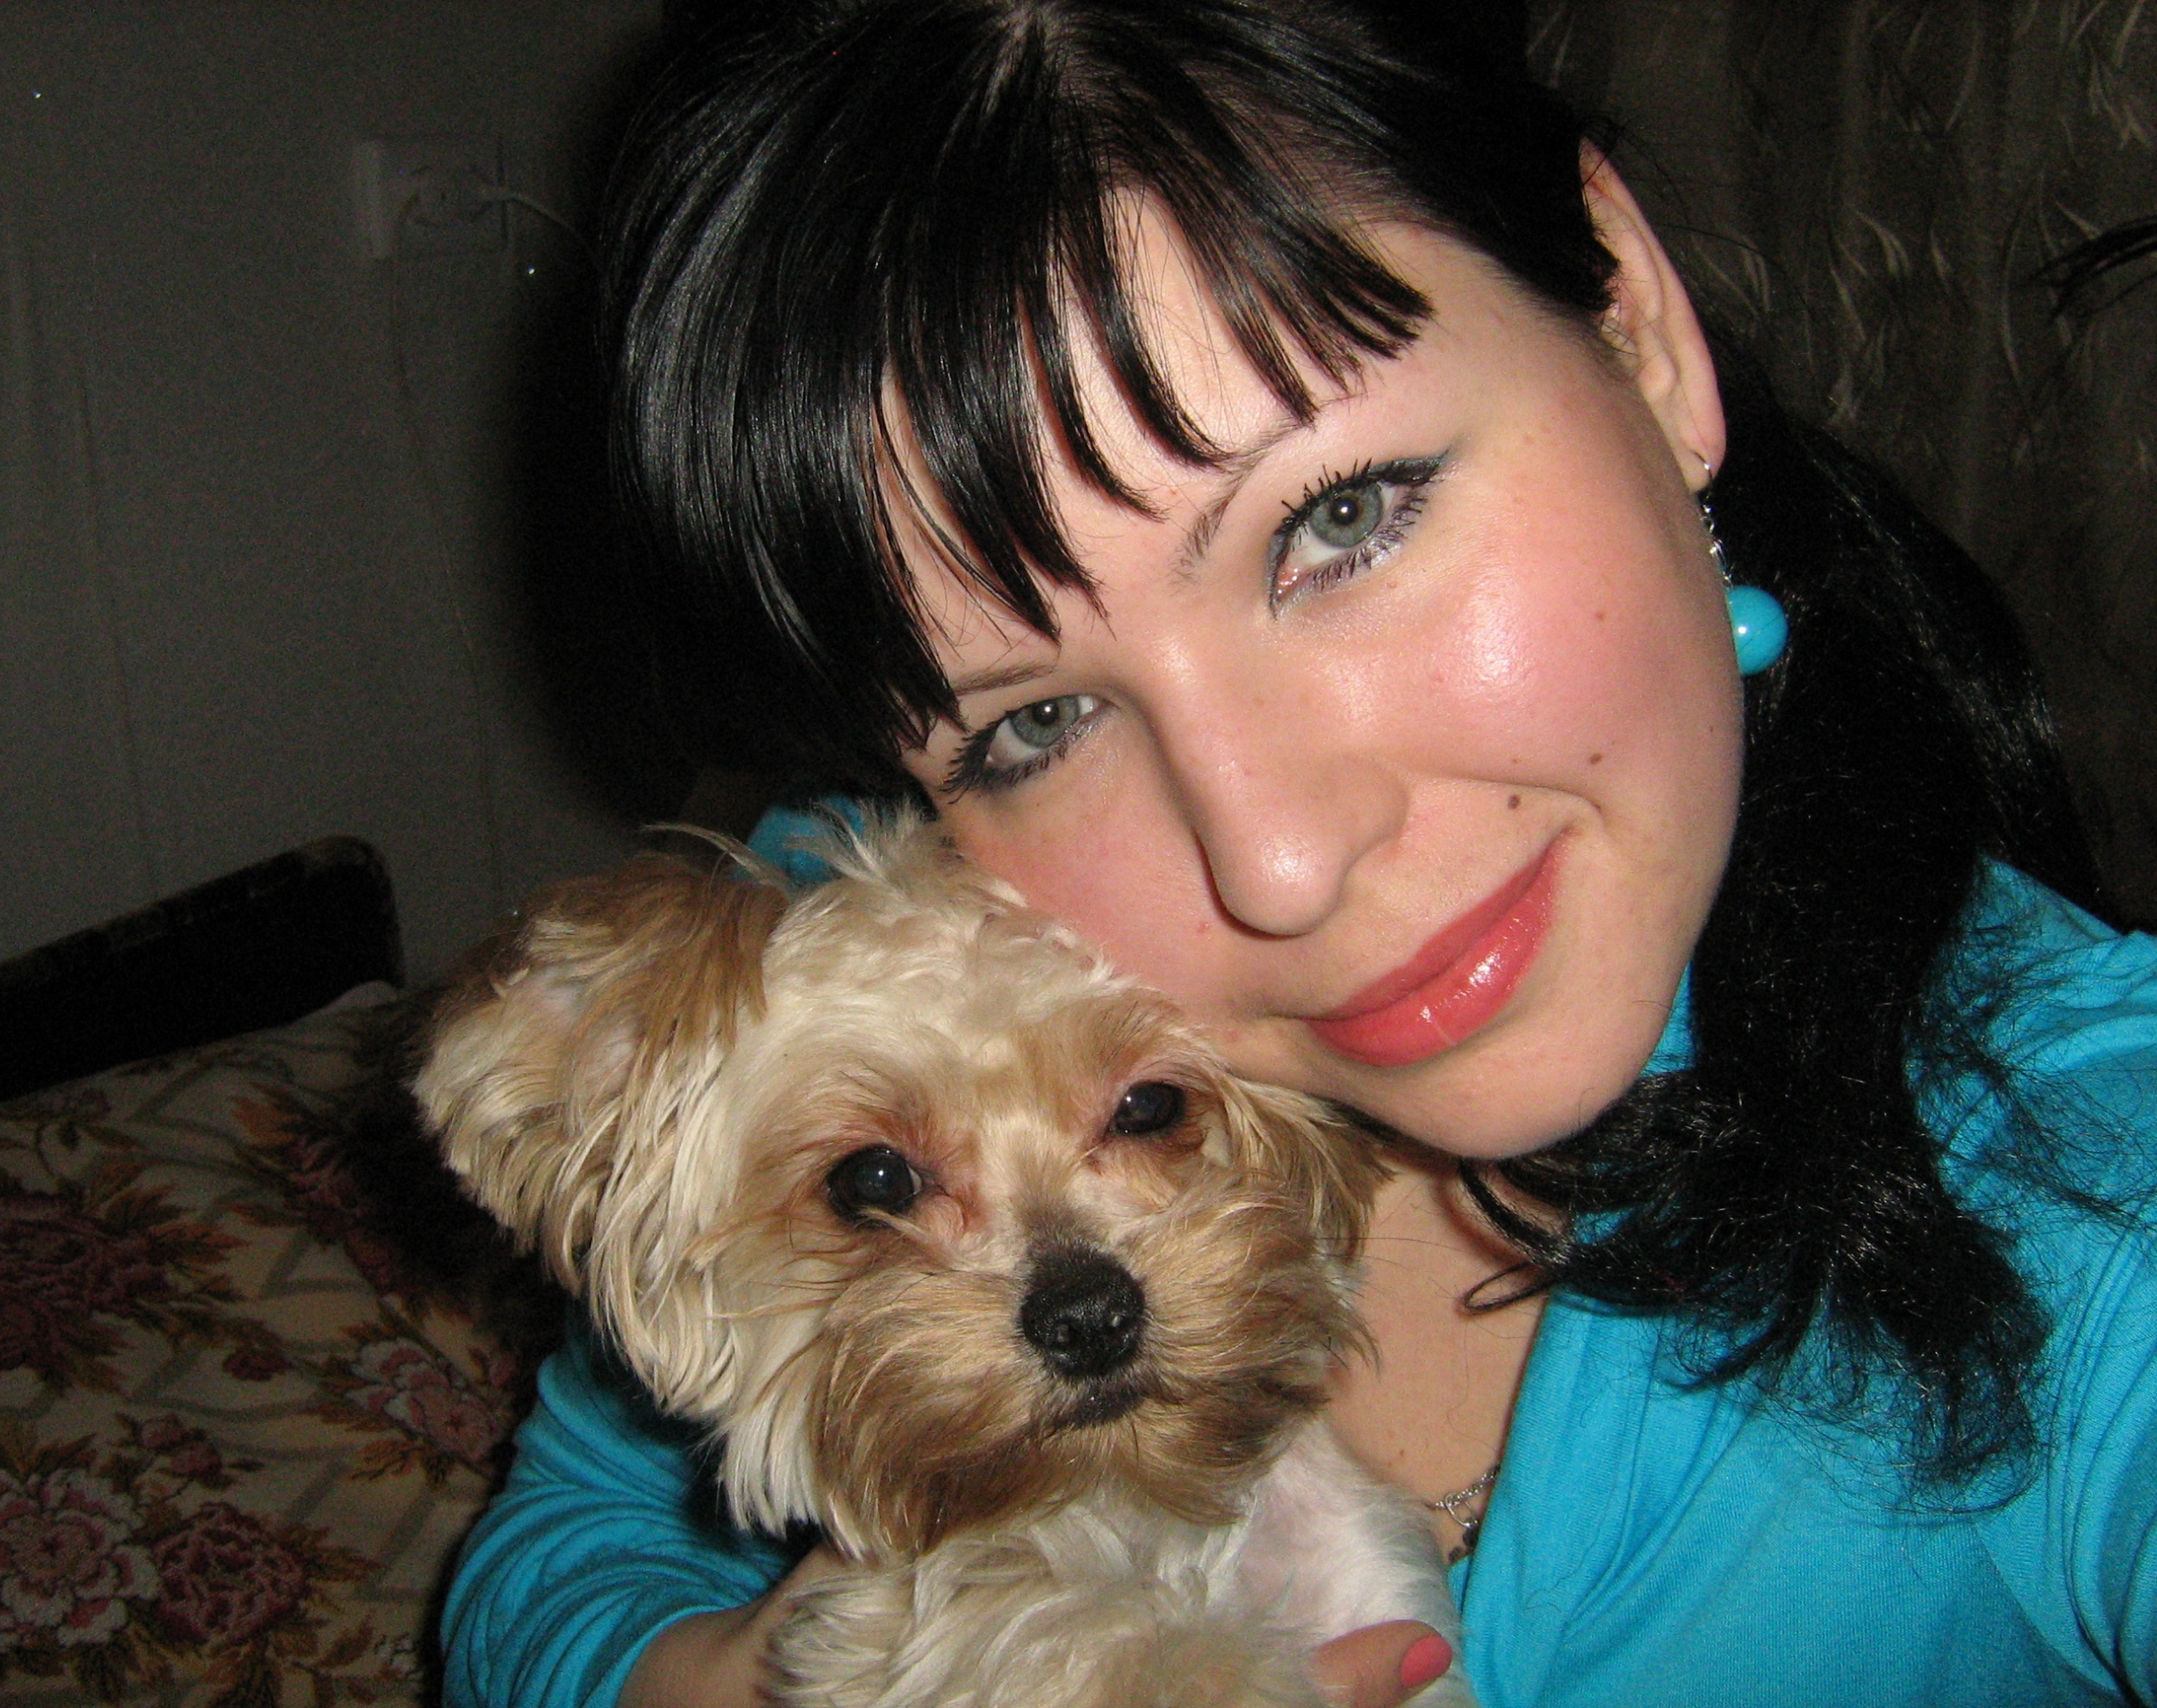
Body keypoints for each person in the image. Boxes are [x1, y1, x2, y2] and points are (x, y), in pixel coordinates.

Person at [439, 1, 2157, 1704]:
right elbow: (562, 1550)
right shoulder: (864, 948)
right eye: (1035, 723)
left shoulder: (2085, 1189)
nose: (1276, 864)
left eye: (1342, 518)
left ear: (1635, 323)